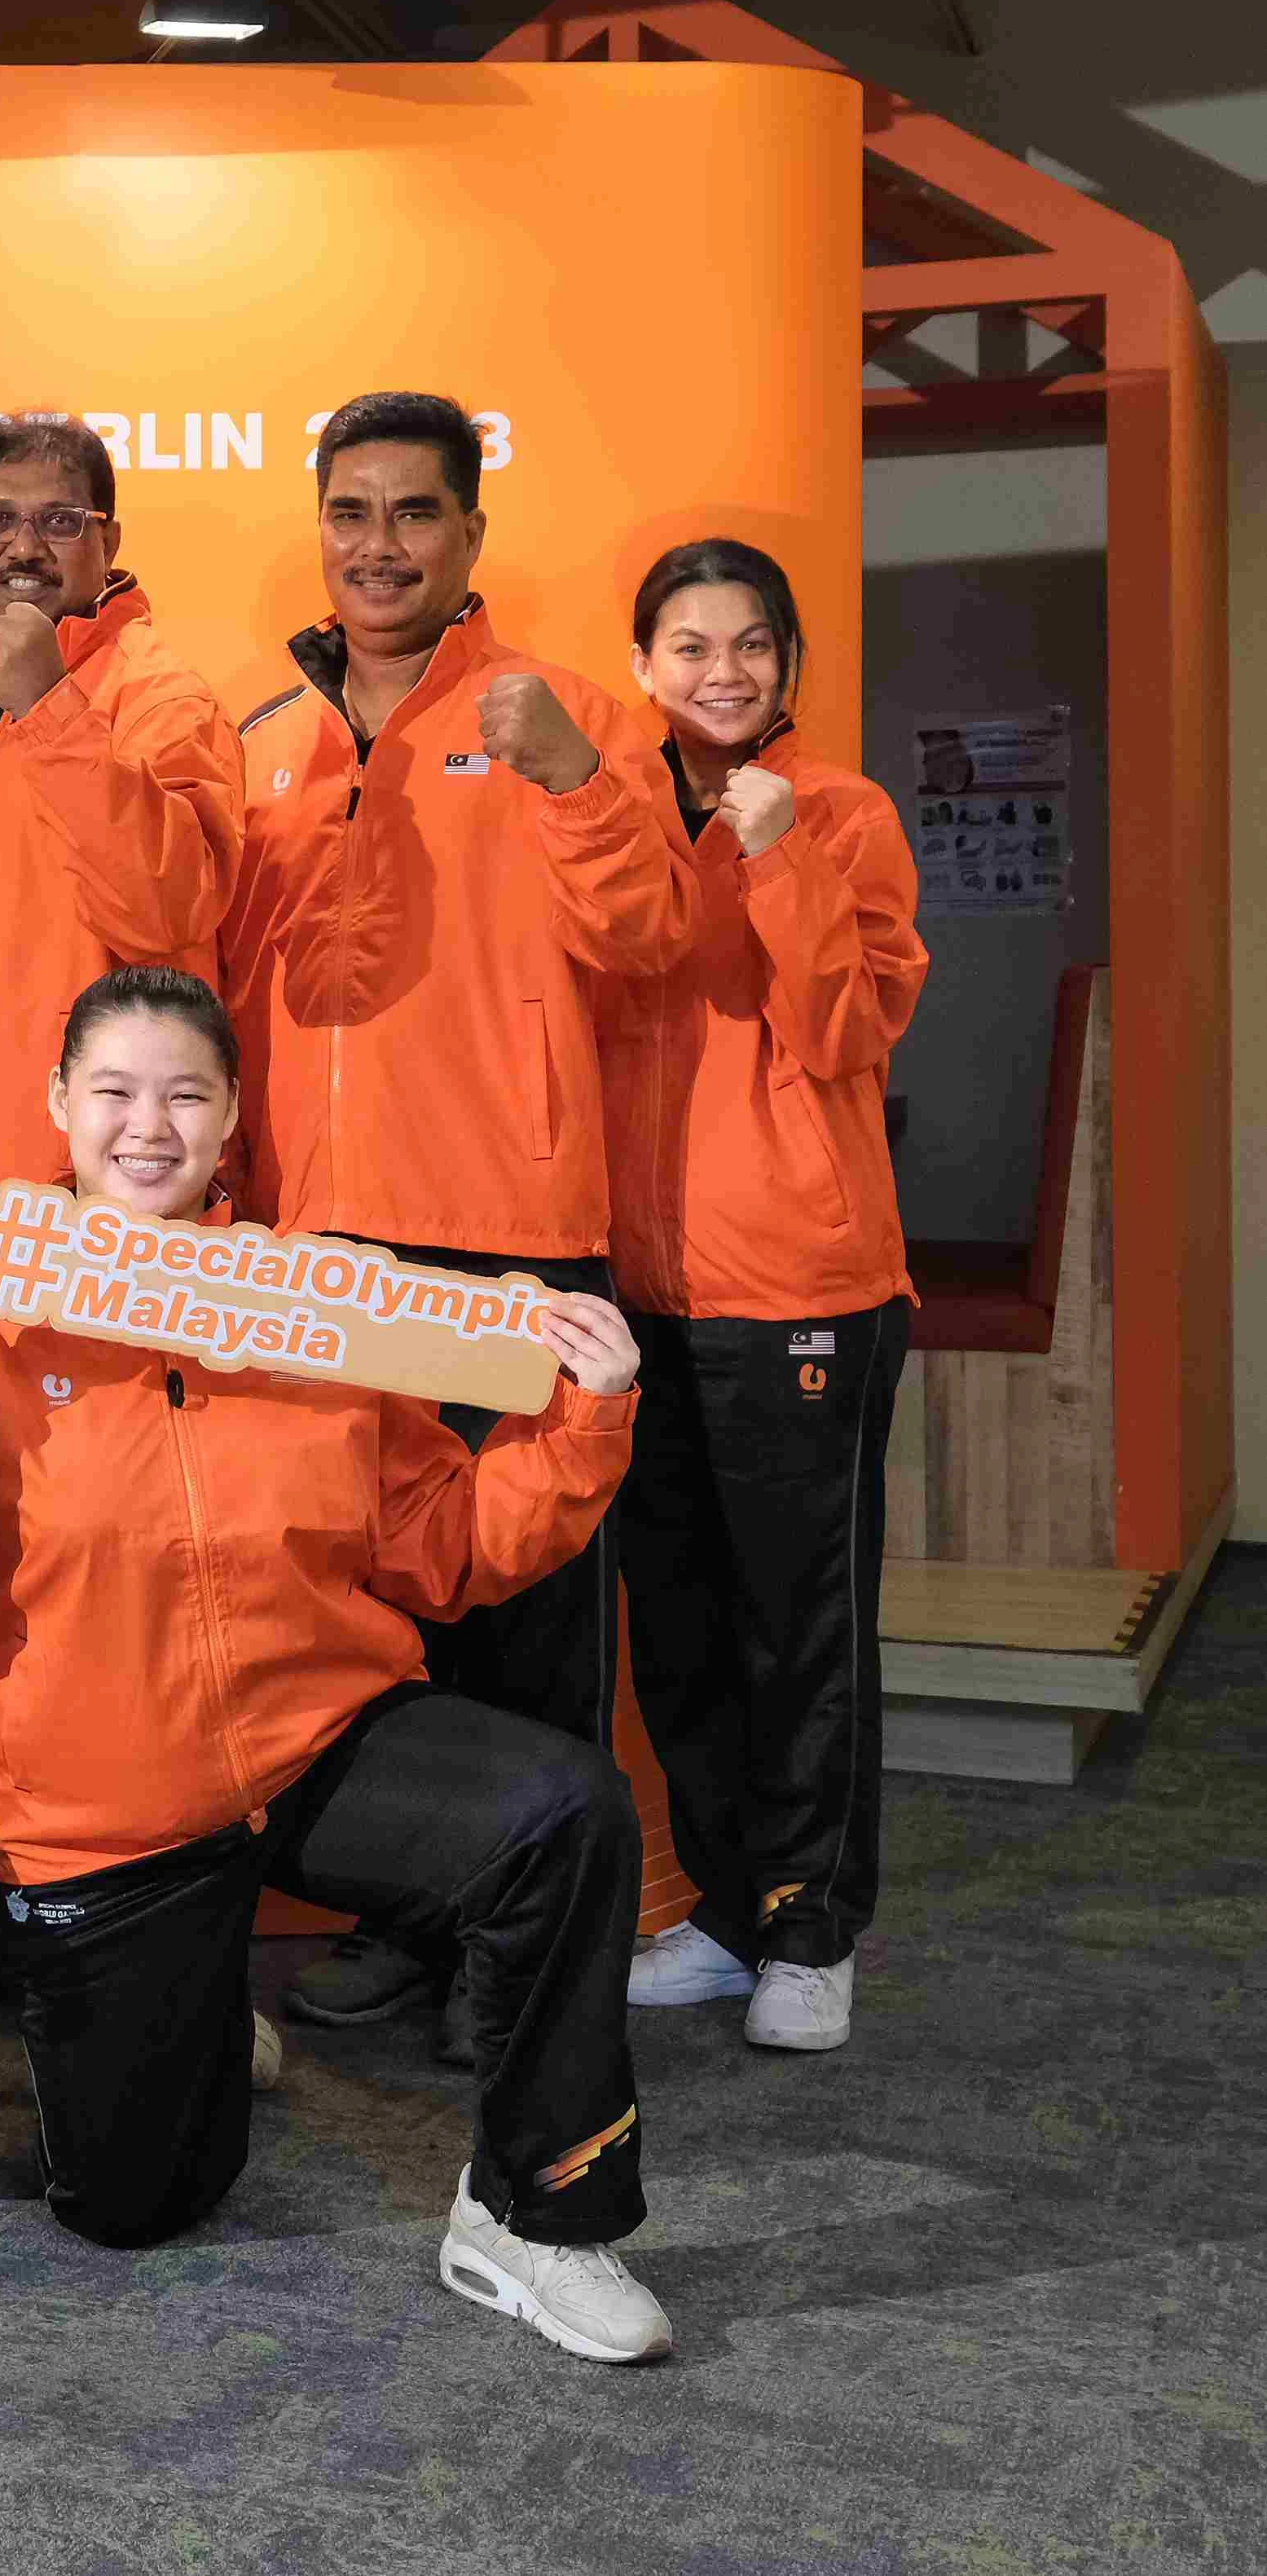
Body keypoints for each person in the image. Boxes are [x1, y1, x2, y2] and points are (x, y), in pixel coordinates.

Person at [0, 970, 674, 2364]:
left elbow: (438, 1548)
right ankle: (191, 2012)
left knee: (562, 1811)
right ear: (57, 1109)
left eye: (184, 1096)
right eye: (115, 1093)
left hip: (318, 1733)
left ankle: (533, 2220)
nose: (148, 1128)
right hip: (103, 1808)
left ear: (229, 1120)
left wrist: (586, 1417)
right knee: (131, 2207)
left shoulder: (320, 1305)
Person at [222, 393, 697, 2054]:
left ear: (467, 538)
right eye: (349, 512)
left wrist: (572, 786)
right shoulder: (260, 735)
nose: (377, 546)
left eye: (413, 514)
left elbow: (646, 934)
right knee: (360, 1619)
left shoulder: (561, 715)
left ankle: (527, 1956)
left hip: (504, 1239)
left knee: (528, 1623)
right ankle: (404, 1923)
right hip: (317, 1251)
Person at [0, 415, 242, 2016]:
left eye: (58, 521)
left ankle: (92, 1910)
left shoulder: (162, 699)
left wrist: (50, 711)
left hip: (86, 1230)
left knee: (91, 1595)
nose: (22, 545)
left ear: (105, 541)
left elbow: (172, 918)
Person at [601, 541, 923, 2055]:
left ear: (786, 661)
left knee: (800, 1629)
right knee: (676, 1625)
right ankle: (728, 1917)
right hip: (642, 1287)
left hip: (800, 1281)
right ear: (645, 666)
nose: (718, 670)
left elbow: (848, 1029)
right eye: (686, 645)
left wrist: (779, 850)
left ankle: (811, 1925)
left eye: (747, 644)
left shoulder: (839, 812)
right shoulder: (616, 813)